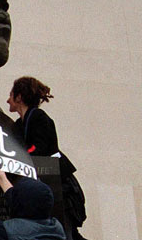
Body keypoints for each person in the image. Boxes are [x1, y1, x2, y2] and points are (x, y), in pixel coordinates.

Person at [6, 76, 86, 228]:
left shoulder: (39, 117)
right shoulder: (20, 124)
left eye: (11, 95)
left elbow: (39, 148)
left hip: (59, 185)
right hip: (46, 182)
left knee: (66, 235)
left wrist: (16, 158)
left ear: (19, 97)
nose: (8, 100)